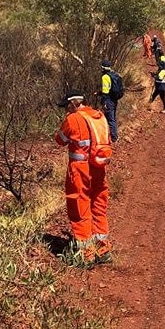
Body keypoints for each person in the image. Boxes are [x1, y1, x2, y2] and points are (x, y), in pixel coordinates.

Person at [54, 90, 113, 266]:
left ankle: (85, 254)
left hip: (80, 170)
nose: (65, 110)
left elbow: (60, 139)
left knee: (79, 205)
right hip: (99, 167)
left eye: (66, 106)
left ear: (73, 104)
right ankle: (103, 249)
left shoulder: (73, 119)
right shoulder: (98, 116)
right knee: (98, 204)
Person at [98, 60, 120, 143]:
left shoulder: (105, 77)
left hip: (108, 100)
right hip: (114, 99)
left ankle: (114, 138)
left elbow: (105, 91)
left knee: (110, 119)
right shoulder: (114, 74)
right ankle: (112, 135)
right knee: (113, 118)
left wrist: (104, 102)